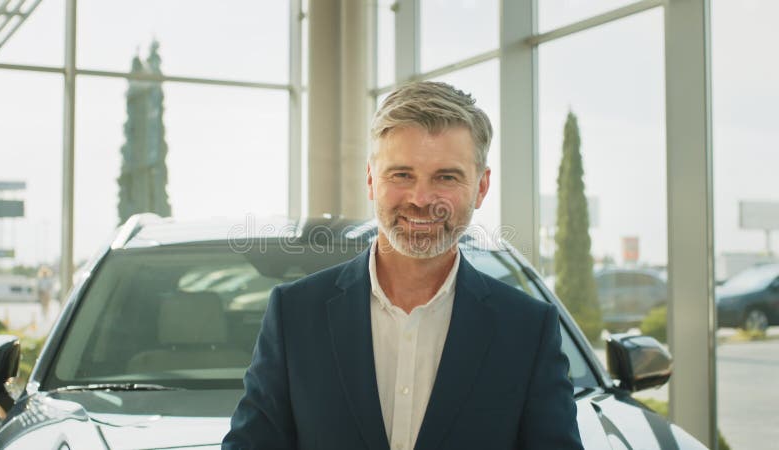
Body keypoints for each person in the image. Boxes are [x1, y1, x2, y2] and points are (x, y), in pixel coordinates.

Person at [223, 81, 583, 450]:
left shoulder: (526, 329)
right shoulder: (295, 315)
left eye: (446, 177)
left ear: (481, 187)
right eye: (401, 175)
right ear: (371, 180)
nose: (421, 199)